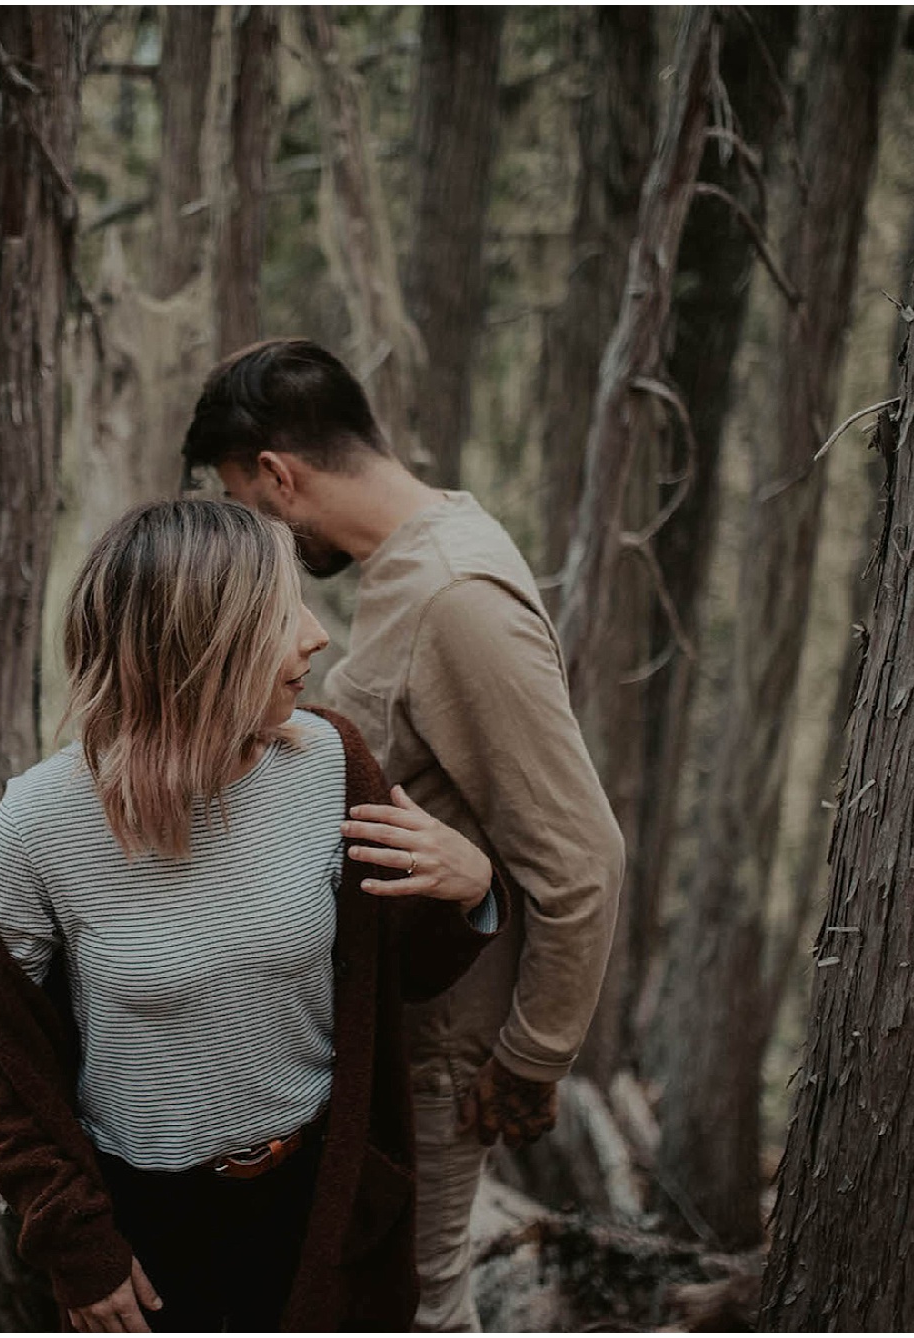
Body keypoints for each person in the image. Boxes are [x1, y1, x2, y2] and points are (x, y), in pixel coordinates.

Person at [0, 499, 509, 1332]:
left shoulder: (331, 762)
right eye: (283, 616)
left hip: (323, 1198)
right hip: (148, 1225)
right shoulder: (36, 829)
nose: (317, 636)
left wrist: (469, 890)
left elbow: (397, 976)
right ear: (199, 643)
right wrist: (77, 1243)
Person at [182, 338, 624, 1332]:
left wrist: (532, 1055)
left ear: (278, 475)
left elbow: (582, 858)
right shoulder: (411, 568)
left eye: (247, 506)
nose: (265, 546)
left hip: (442, 1051)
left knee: (420, 1308)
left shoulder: (455, 596)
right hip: (388, 1028)